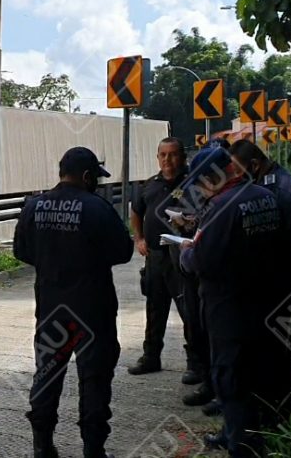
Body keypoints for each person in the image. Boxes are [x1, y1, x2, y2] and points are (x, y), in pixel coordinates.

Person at [14, 147, 134, 458]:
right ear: (86, 176)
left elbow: (21, 252)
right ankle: (93, 449)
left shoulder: (33, 206)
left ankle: (42, 445)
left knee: (47, 374)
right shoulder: (98, 208)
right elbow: (123, 252)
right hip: (94, 311)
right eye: (95, 176)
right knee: (94, 379)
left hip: (52, 309)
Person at [179, 147, 284, 456]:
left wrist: (186, 249)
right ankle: (237, 434)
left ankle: (241, 446)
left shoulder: (220, 208)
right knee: (252, 372)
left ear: (213, 178)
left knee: (230, 377)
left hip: (228, 306)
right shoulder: (264, 195)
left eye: (200, 185)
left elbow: (200, 260)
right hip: (262, 301)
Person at [230, 139, 291, 427]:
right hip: (269, 284)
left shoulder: (280, 191)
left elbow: (278, 244)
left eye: (237, 171)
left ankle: (278, 416)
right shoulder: (270, 183)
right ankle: (264, 412)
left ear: (254, 166)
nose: (233, 178)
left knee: (277, 353)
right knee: (263, 352)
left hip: (279, 286)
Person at [126, 138, 199, 391]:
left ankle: (195, 362)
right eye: (163, 155)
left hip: (182, 256)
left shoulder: (194, 184)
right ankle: (150, 356)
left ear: (183, 157)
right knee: (155, 308)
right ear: (157, 157)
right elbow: (136, 211)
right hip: (156, 256)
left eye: (173, 155)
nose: (167, 160)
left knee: (189, 310)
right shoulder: (149, 186)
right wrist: (139, 238)